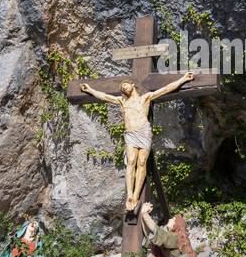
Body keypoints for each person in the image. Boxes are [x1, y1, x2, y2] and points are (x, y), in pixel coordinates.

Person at [77, 72, 195, 216]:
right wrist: (90, 90)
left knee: (141, 162)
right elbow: (105, 96)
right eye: (122, 87)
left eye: (125, 85)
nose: (124, 88)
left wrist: (183, 79)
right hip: (130, 134)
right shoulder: (122, 101)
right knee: (131, 161)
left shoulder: (145, 98)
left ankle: (136, 195)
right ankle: (130, 195)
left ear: (133, 85)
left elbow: (166, 89)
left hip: (144, 132)